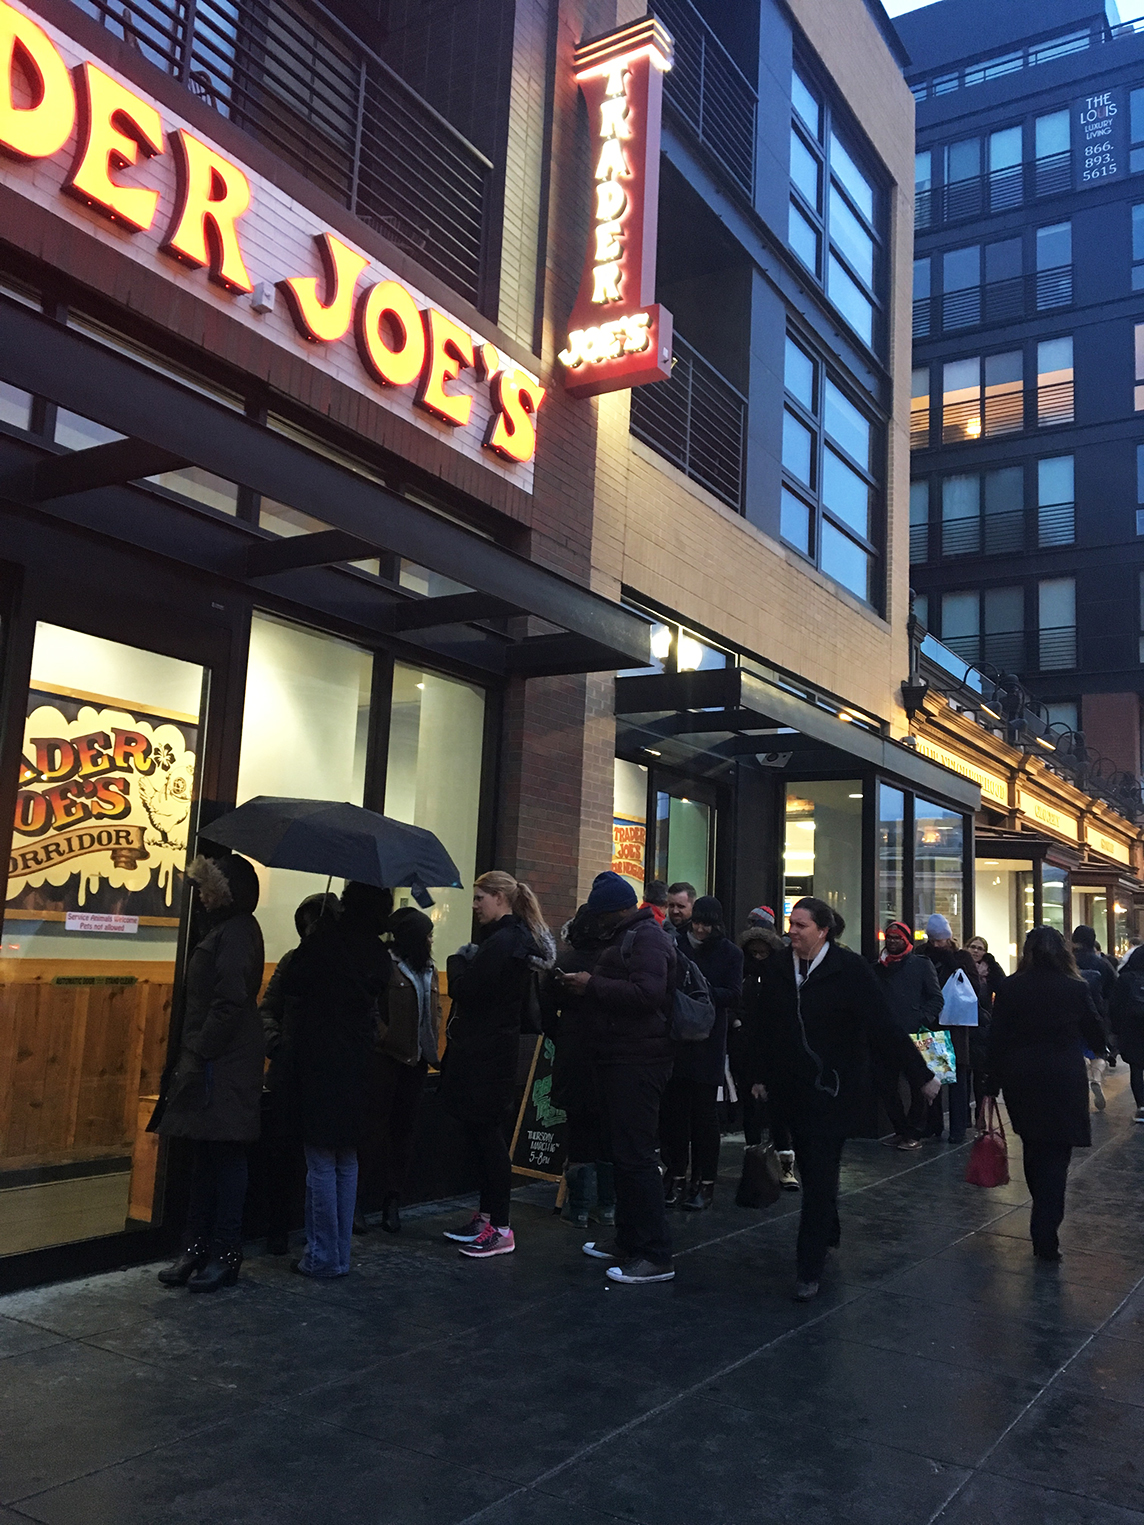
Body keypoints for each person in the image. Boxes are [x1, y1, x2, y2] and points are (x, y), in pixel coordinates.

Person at [746, 897, 939, 1302]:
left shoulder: (850, 970)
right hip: (791, 1089)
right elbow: (765, 1025)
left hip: (833, 1090)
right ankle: (828, 1222)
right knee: (815, 1167)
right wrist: (759, 1074)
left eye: (800, 925)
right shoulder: (779, 967)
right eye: (791, 924)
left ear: (823, 930)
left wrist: (921, 1074)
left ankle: (809, 1266)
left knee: (819, 1167)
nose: (792, 931)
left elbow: (882, 1025)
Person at [562, 870, 677, 1284]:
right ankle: (630, 1239)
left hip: (639, 1060)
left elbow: (647, 995)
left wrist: (591, 985)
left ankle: (655, 1252)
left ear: (614, 911)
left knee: (637, 1156)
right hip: (620, 1057)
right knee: (625, 1155)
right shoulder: (630, 935)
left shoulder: (645, 937)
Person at [157, 852, 265, 1293]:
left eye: (207, 888)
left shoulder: (237, 931)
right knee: (206, 1155)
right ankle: (196, 1248)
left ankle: (223, 1252)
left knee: (226, 1154)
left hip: (225, 1061)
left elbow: (229, 1000)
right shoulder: (227, 929)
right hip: (217, 1058)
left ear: (224, 891)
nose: (200, 896)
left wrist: (200, 1051)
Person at [440, 870, 554, 1259]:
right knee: (484, 1137)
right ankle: (488, 1217)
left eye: (479, 899)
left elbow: (467, 989)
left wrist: (456, 961)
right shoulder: (514, 940)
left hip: (486, 1055)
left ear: (500, 898)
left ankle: (500, 1227)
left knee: (488, 1139)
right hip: (492, 1052)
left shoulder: (503, 942)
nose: (474, 907)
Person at [282, 882, 392, 1278]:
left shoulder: (327, 941)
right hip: (360, 1060)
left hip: (320, 1058)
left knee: (321, 1161)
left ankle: (322, 1255)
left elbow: (294, 983)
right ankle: (340, 1253)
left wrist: (319, 933)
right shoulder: (378, 951)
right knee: (347, 1158)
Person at [985, 926, 1107, 1263]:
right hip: (1063, 1079)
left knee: (1033, 1145)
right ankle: (1046, 1228)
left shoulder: (1011, 987)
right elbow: (1096, 1032)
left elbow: (997, 1040)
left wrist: (988, 1086)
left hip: (1022, 1078)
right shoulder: (1075, 987)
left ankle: (1042, 1213)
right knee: (1057, 1154)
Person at [259, 891, 340, 1255]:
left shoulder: (344, 967)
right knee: (282, 1157)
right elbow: (267, 1010)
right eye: (307, 924)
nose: (312, 931)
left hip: (325, 1074)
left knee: (322, 1159)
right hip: (289, 1072)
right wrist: (279, 1046)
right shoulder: (293, 961)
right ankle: (278, 1227)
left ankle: (319, 1234)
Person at [357, 906, 441, 1235]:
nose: (431, 941)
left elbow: (431, 1013)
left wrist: (433, 1052)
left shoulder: (431, 969)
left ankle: (393, 1202)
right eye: (426, 935)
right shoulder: (387, 964)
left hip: (417, 1061)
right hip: (386, 1059)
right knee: (372, 1132)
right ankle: (358, 1203)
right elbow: (370, 1007)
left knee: (403, 1133)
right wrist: (385, 1037)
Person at [660, 895, 743, 1210]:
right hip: (678, 1038)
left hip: (707, 1041)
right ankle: (677, 1174)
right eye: (697, 922)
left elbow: (734, 994)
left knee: (704, 1116)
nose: (700, 929)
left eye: (706, 924)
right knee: (675, 1114)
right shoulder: (675, 943)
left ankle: (705, 1181)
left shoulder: (729, 953)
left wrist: (701, 991)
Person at [541, 904, 616, 1230]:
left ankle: (579, 1207)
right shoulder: (613, 963)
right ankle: (608, 1205)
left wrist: (560, 1034)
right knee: (608, 1128)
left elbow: (544, 1011)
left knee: (578, 1127)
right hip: (608, 1051)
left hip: (572, 1050)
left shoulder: (565, 963)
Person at [872, 920, 943, 1151]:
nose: (892, 942)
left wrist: (921, 1018)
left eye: (897, 938)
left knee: (918, 1086)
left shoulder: (921, 965)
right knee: (886, 1087)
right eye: (889, 938)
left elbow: (936, 998)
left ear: (906, 940)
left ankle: (913, 1132)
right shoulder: (878, 967)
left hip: (914, 1035)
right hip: (885, 1036)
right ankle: (901, 1129)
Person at [734, 918, 791, 1182]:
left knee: (778, 1107)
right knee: (751, 1107)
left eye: (762, 952)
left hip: (773, 1047)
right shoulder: (743, 974)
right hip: (746, 1046)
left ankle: (785, 1163)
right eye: (753, 952)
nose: (758, 957)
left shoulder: (779, 975)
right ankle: (755, 1163)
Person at [916, 914, 977, 1143]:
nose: (936, 944)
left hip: (954, 1023)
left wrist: (952, 963)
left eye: (939, 940)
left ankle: (957, 1127)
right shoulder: (922, 955)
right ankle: (934, 1124)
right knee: (935, 1074)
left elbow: (973, 987)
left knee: (956, 1079)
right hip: (936, 1023)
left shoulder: (960, 957)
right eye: (932, 939)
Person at [1072, 925, 1116, 1111]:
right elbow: (1112, 990)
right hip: (1097, 1012)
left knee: (1076, 1049)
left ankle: (1081, 1072)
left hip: (1072, 1012)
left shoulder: (1068, 961)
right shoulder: (1102, 963)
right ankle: (1095, 1078)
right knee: (1098, 1051)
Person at [1109, 945, 1144, 1123]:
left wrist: (1115, 1030)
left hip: (1132, 1030)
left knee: (1136, 1068)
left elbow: (1115, 1006)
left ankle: (1142, 1106)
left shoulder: (1126, 979)